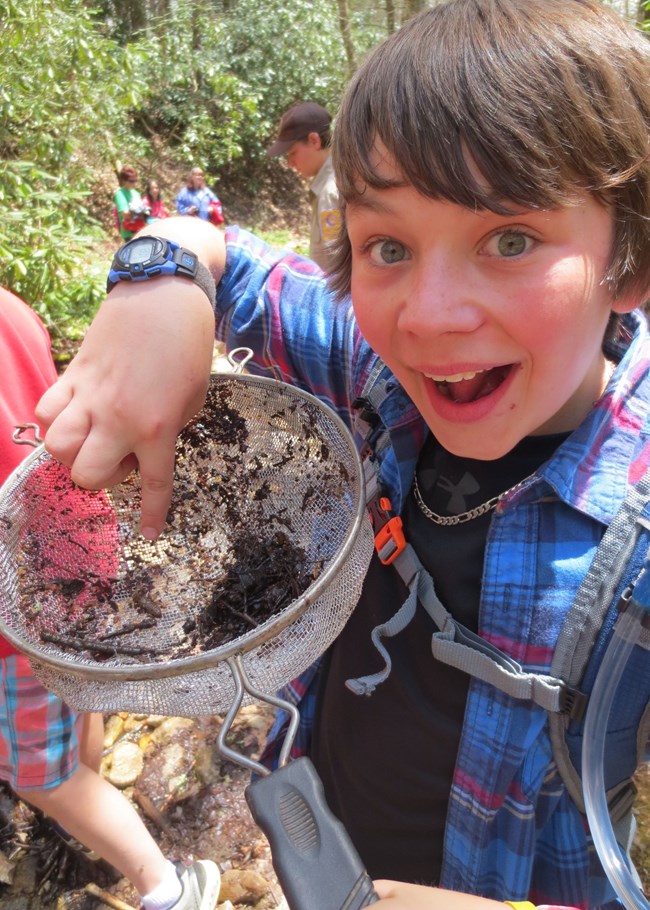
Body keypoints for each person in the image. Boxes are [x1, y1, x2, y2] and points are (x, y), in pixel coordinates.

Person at [34, 1, 650, 908]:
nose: (429, 314)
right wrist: (155, 277)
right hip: (327, 827)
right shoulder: (379, 373)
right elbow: (221, 255)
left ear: (627, 262)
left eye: (510, 240)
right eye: (388, 245)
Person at [0, 286, 221, 910]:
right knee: (80, 686)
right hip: (83, 540)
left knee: (41, 776)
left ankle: (167, 884)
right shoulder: (12, 306)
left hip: (20, 607)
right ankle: (90, 786)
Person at [267, 101, 341, 272]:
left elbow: (337, 266)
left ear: (314, 140)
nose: (290, 163)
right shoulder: (336, 178)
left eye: (293, 153)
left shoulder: (330, 190)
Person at [113, 165, 150, 241]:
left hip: (140, 230)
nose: (134, 183)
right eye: (131, 181)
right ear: (124, 181)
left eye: (136, 180)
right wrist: (137, 212)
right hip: (128, 232)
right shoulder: (120, 194)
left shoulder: (136, 194)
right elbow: (124, 214)